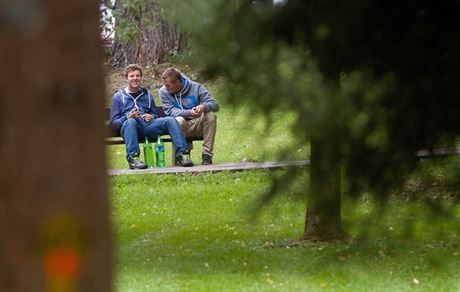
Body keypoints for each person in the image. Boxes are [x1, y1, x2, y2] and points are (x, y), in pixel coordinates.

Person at [110, 64, 193, 169]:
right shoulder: (118, 97)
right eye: (131, 76)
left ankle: (182, 154)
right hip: (130, 128)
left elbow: (155, 114)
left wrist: (152, 116)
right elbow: (114, 123)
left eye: (137, 76)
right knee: (131, 122)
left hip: (147, 127)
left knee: (170, 120)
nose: (135, 78)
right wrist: (128, 117)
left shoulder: (147, 95)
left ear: (141, 77)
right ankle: (133, 158)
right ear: (126, 78)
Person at [159, 67, 219, 165]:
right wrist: (189, 113)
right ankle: (183, 155)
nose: (165, 87)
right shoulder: (164, 92)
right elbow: (170, 111)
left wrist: (203, 107)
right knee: (178, 120)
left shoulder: (196, 87)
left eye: (168, 85)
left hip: (198, 124)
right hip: (181, 126)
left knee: (211, 115)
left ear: (178, 82)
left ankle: (207, 155)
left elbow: (215, 105)